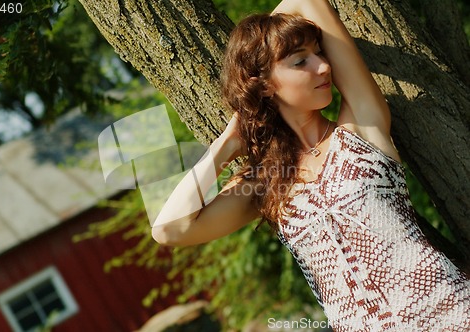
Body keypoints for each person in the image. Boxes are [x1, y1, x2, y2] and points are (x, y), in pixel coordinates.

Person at [151, 0, 470, 330]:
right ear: (263, 84)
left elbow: (307, 2)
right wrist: (226, 144)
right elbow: (169, 229)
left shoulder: (362, 128)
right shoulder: (265, 184)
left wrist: (262, 40)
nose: (323, 67)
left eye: (321, 53)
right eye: (301, 61)